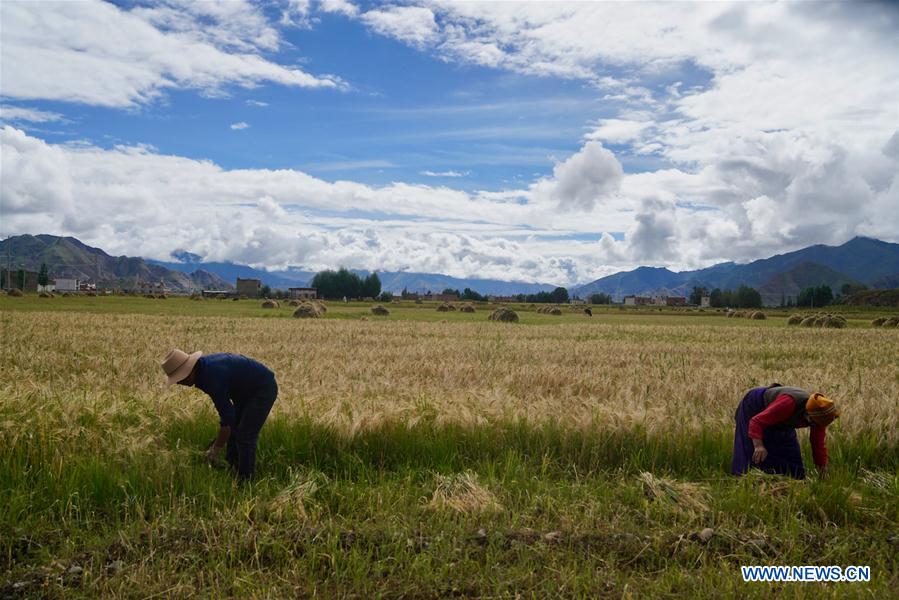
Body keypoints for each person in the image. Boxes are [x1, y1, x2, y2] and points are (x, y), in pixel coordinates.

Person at [161, 349, 278, 482]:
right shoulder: (203, 370)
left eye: (179, 379)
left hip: (262, 389)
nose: (178, 383)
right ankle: (232, 468)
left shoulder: (211, 376)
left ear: (187, 372)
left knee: (245, 436)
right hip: (245, 392)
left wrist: (216, 449)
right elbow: (229, 419)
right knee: (235, 430)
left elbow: (227, 419)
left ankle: (246, 482)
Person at [731, 384, 839, 479]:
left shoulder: (820, 417)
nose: (814, 426)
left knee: (790, 454)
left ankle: (794, 482)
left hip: (780, 418)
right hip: (755, 407)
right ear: (808, 414)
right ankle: (747, 482)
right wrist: (758, 445)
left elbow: (818, 445)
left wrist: (822, 471)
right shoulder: (789, 404)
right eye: (812, 423)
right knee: (753, 454)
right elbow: (756, 422)